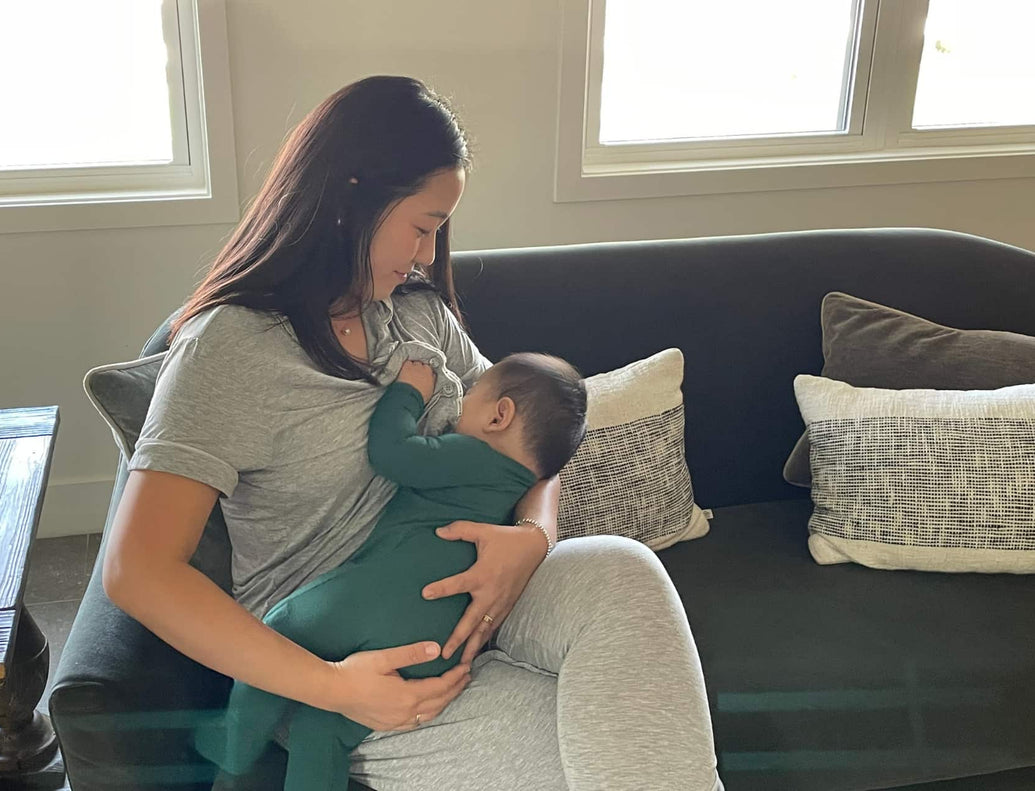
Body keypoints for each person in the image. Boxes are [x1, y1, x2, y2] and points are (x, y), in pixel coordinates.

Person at [102, 74, 722, 791]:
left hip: (478, 594)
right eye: (422, 226)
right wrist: (335, 688)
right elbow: (138, 570)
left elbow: (530, 444)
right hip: (356, 647)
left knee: (624, 568)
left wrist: (531, 540)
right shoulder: (231, 347)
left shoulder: (417, 315)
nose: (427, 255)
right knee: (595, 756)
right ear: (349, 200)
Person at [192, 353, 588, 790]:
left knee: (276, 629)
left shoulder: (471, 455)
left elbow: (393, 454)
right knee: (323, 728)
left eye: (469, 399)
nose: (458, 410)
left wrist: (407, 394)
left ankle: (233, 744)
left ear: (499, 416)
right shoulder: (514, 484)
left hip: (389, 602)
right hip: (442, 641)